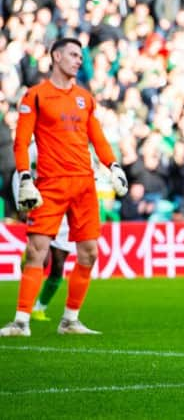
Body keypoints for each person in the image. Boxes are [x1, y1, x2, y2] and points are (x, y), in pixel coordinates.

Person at [0, 37, 128, 337]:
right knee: (36, 250)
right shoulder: (35, 96)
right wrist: (25, 176)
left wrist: (114, 165)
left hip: (85, 184)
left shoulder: (85, 98)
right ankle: (21, 321)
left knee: (90, 252)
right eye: (72, 54)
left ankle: (70, 319)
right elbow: (21, 142)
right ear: (56, 56)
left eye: (80, 56)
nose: (78, 60)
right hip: (50, 185)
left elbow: (97, 137)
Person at [11, 139, 75, 322]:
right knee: (42, 259)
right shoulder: (35, 147)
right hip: (42, 205)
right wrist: (21, 203)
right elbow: (20, 175)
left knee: (59, 264)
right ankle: (24, 310)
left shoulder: (74, 144)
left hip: (64, 210)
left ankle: (40, 308)